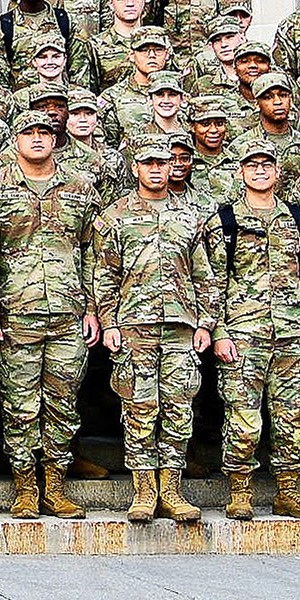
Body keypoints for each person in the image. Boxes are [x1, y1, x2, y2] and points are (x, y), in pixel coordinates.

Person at [207, 145, 300, 522]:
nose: (260, 171)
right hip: (244, 333)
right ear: (240, 172)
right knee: (244, 419)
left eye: (266, 165)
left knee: (293, 417)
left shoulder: (297, 218)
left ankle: (287, 492)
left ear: (278, 172)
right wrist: (219, 332)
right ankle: (240, 492)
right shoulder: (225, 221)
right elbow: (213, 281)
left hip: (293, 333)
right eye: (252, 165)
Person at [0, 110, 95, 519]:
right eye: (28, 132)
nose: (37, 138)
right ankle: (26, 488)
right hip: (16, 314)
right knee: (20, 407)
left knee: (63, 405)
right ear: (15, 140)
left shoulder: (80, 187)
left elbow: (93, 252)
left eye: (44, 132)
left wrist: (93, 308)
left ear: (55, 139)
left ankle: (56, 487)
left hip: (68, 312)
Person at [89, 142, 211, 524]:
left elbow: (203, 274)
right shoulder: (116, 216)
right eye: (149, 163)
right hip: (134, 325)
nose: (156, 169)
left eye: (163, 162)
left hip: (180, 326)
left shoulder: (190, 216)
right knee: (139, 408)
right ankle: (144, 491)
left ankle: (171, 490)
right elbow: (105, 274)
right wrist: (108, 322)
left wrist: (205, 323)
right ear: (136, 167)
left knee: (178, 408)